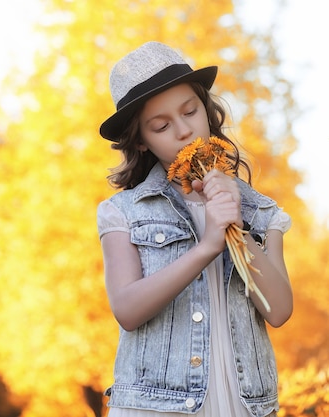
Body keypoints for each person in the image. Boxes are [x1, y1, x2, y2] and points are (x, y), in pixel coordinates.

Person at [97, 41, 293, 417]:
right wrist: (206, 247)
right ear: (141, 140)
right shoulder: (122, 212)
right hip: (157, 408)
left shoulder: (261, 210)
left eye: (191, 111)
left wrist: (238, 226)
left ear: (207, 108)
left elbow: (279, 310)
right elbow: (127, 309)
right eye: (162, 125)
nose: (184, 131)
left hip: (243, 405)